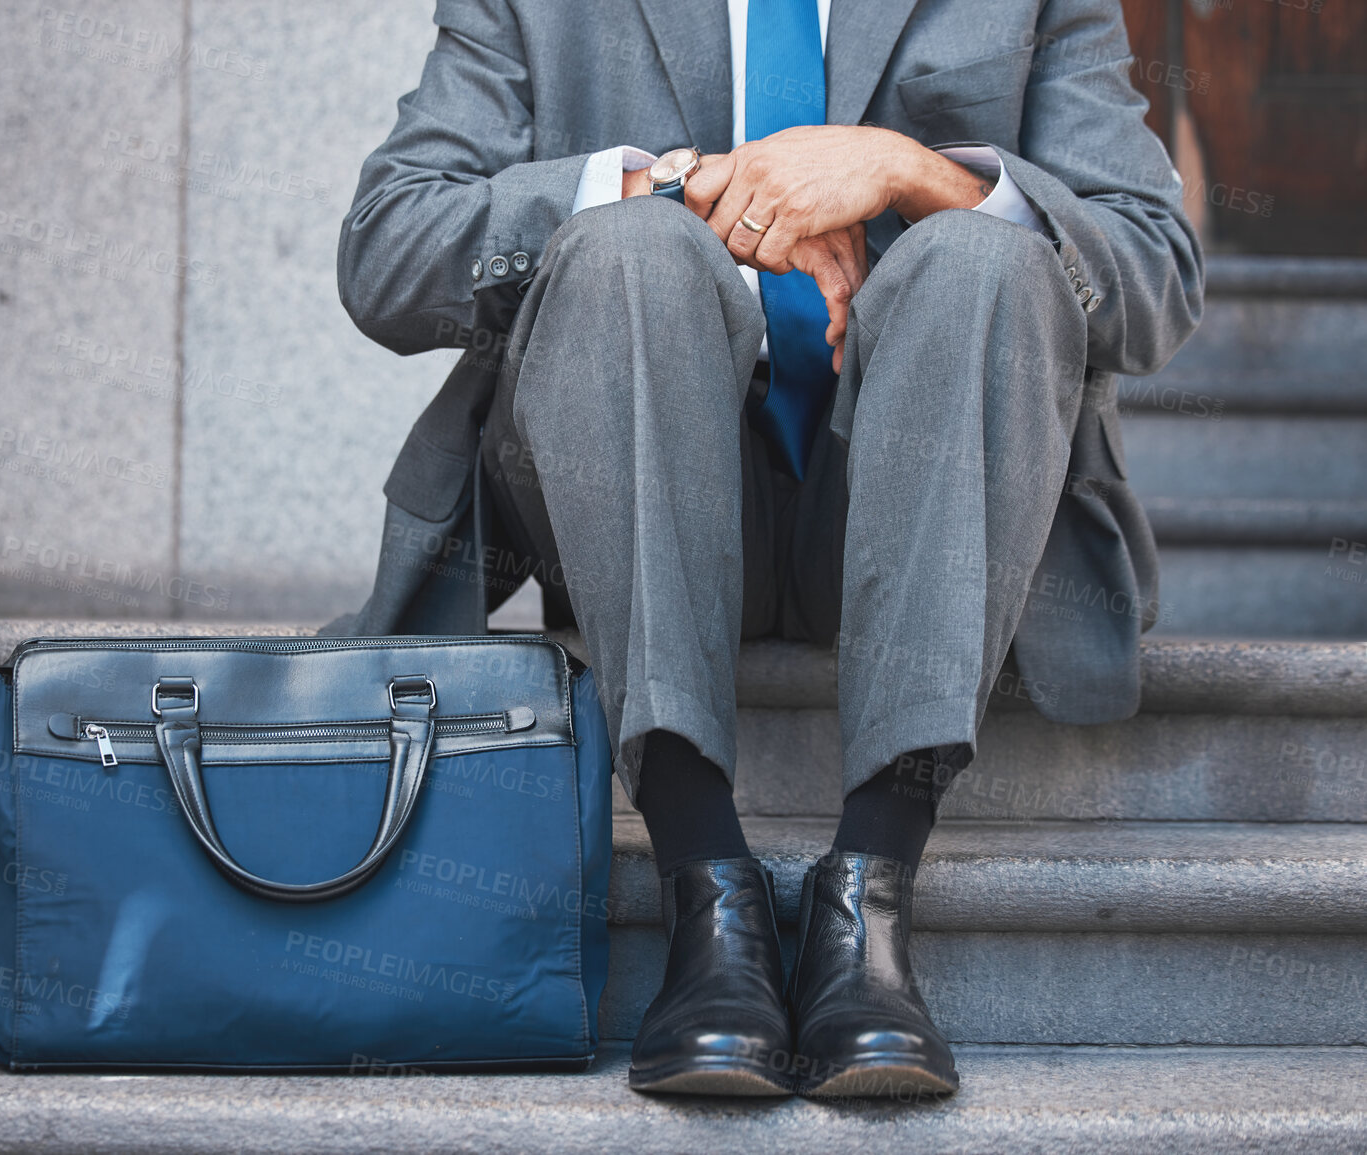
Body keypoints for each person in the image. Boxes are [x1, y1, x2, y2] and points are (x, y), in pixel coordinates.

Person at [329, 0, 1202, 1099]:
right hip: (638, 488)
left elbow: (1157, 272)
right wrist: (664, 184)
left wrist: (913, 174)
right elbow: (389, 246)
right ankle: (708, 897)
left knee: (980, 258)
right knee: (631, 246)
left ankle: (869, 901)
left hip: (914, 497)